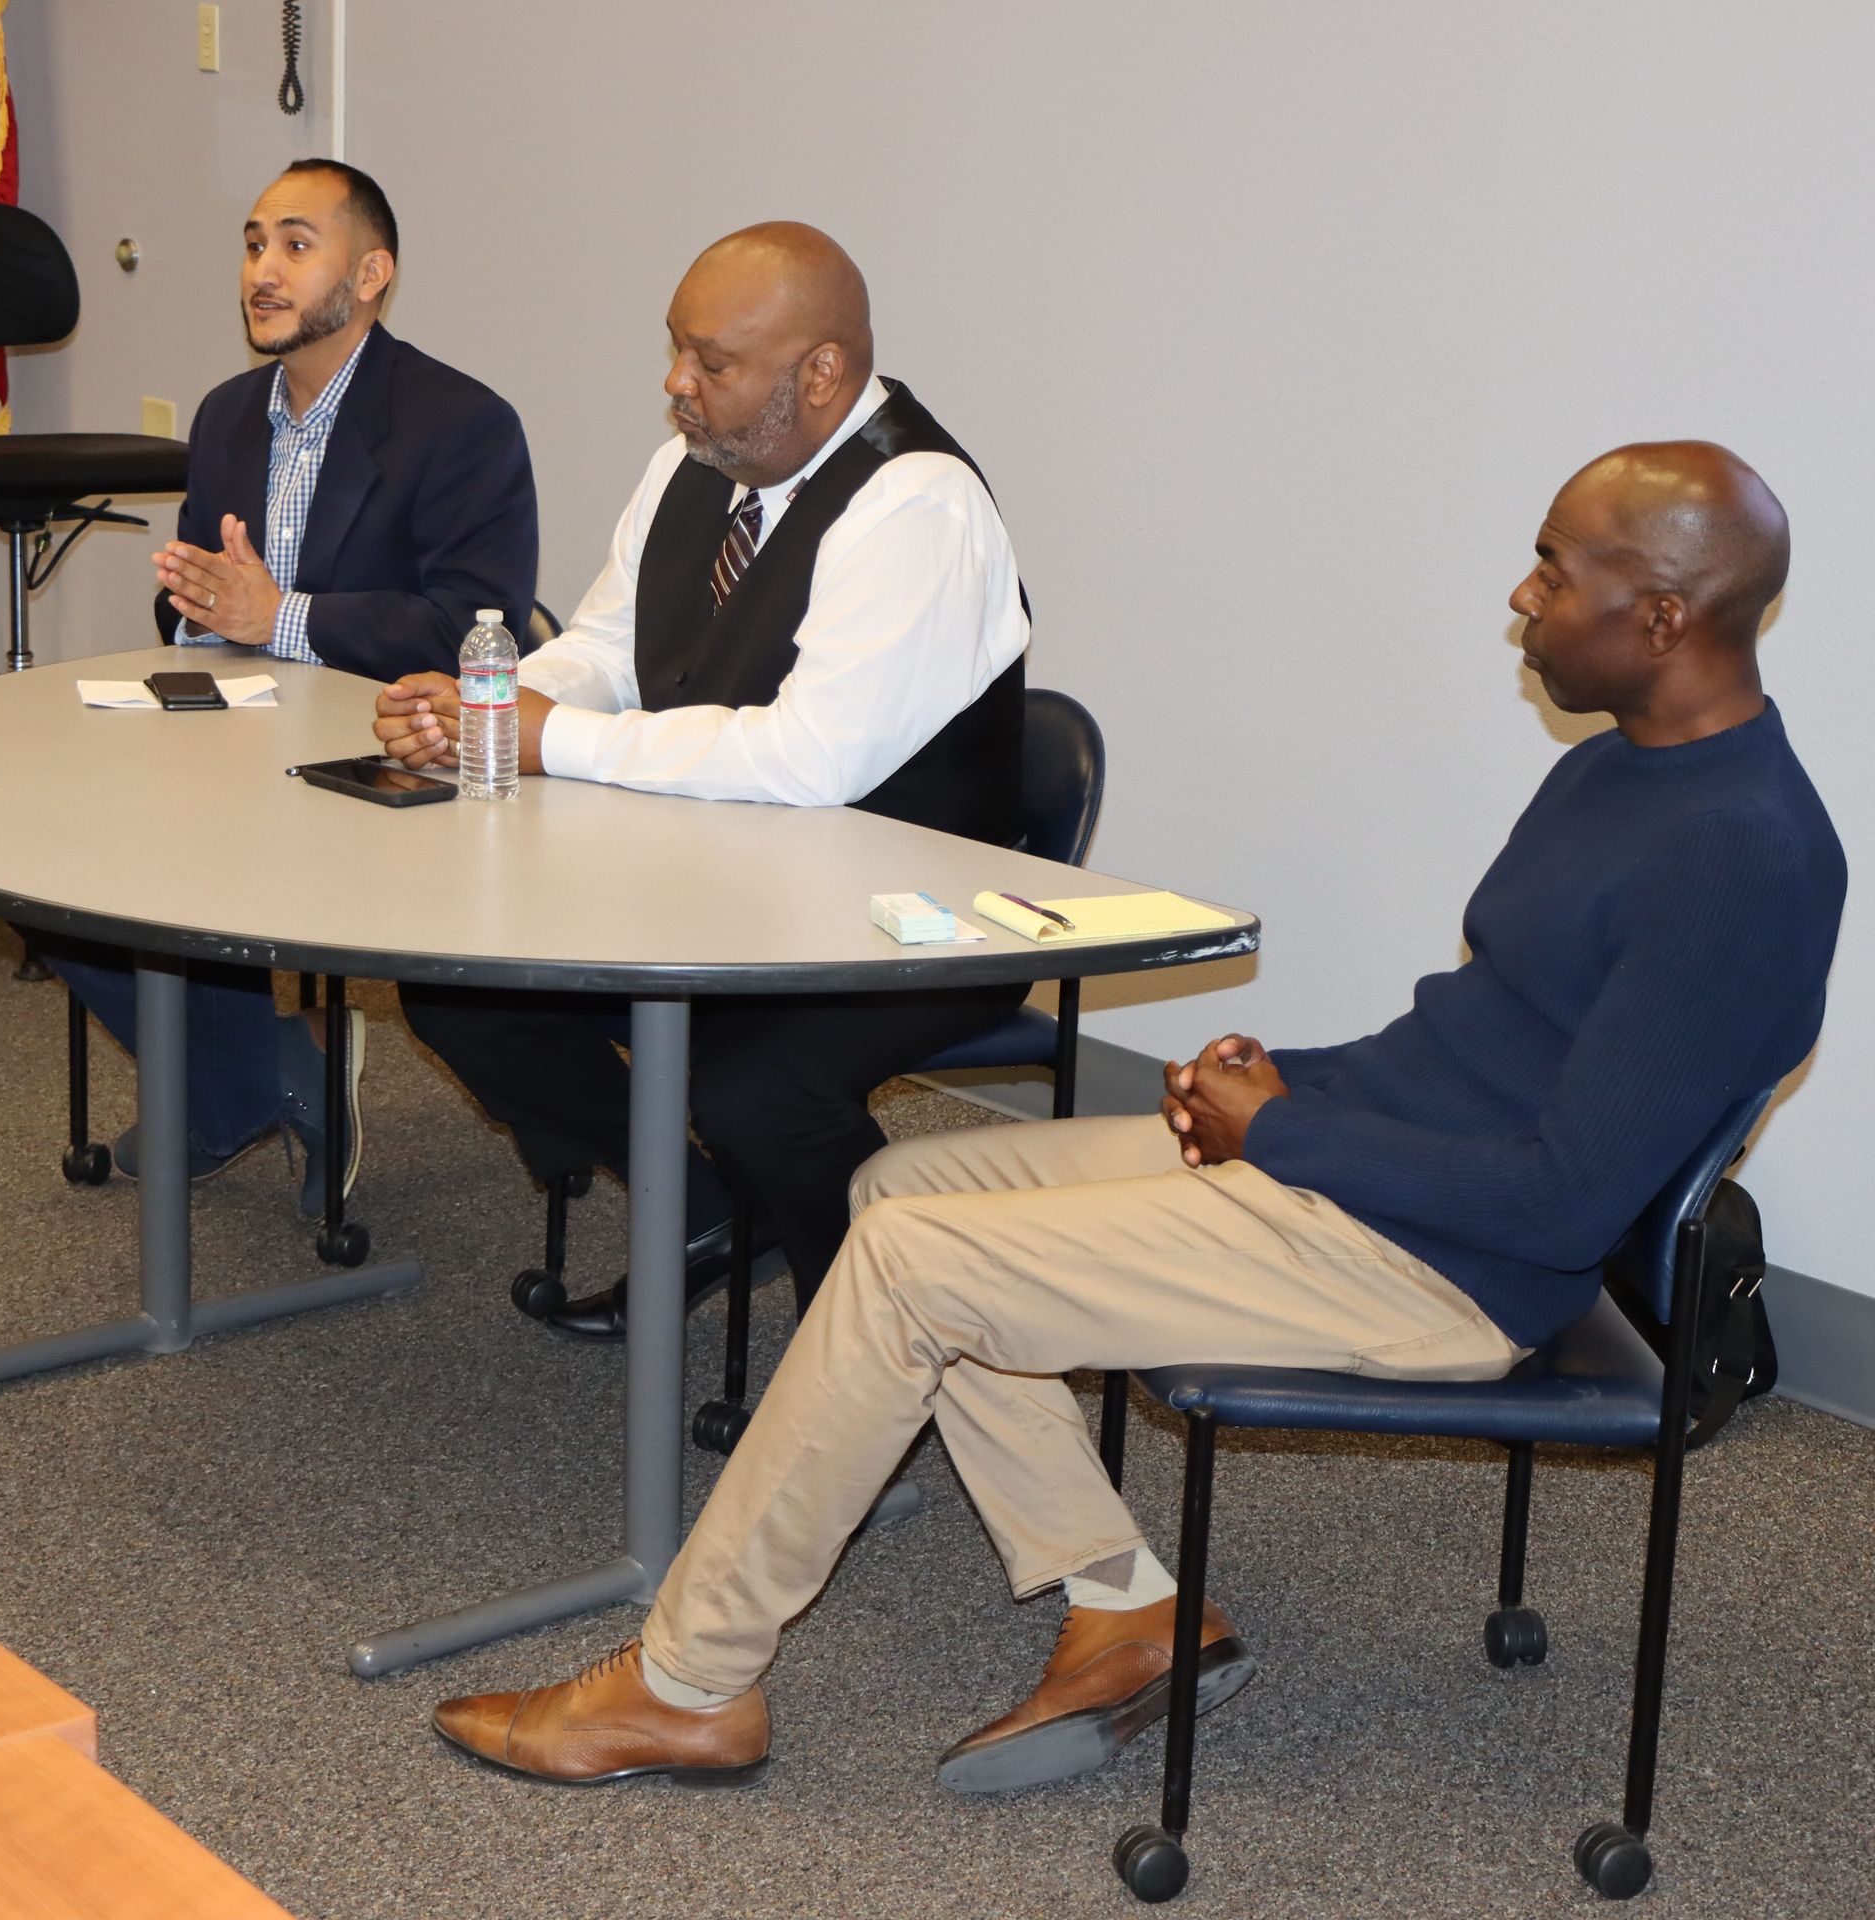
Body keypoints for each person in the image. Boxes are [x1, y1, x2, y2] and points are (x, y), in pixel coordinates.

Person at [429, 442, 1845, 1795]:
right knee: (906, 1198)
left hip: (1452, 1268)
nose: (1521, 598)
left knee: (916, 1275)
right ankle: (1122, 1607)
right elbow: (1479, 1040)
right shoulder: (1617, 767)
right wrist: (1284, 1077)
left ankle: (686, 1688)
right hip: (1370, 1179)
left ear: (1661, 615)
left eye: (1553, 571)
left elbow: (1562, 1205)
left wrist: (1279, 1135)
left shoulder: (1737, 861)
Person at [372, 222, 1030, 1337]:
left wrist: (552, 740)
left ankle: (886, 1345)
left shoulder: (919, 505)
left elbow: (808, 759)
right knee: (463, 991)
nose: (678, 386)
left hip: (910, 919)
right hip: (725, 877)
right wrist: (488, 704)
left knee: (750, 1083)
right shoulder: (694, 465)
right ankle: (725, 1209)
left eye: (713, 365)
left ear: (822, 374)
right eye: (677, 351)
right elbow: (608, 651)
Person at [48, 159, 538, 1216]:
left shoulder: (461, 424)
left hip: (377, 751)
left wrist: (281, 619)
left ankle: (236, 1087)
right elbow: (203, 608)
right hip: (227, 731)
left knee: (180, 863)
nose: (262, 270)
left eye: (296, 245)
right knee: (41, 852)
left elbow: (474, 625)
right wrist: (198, 605)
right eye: (253, 242)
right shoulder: (229, 415)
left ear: (371, 274)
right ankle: (260, 1073)